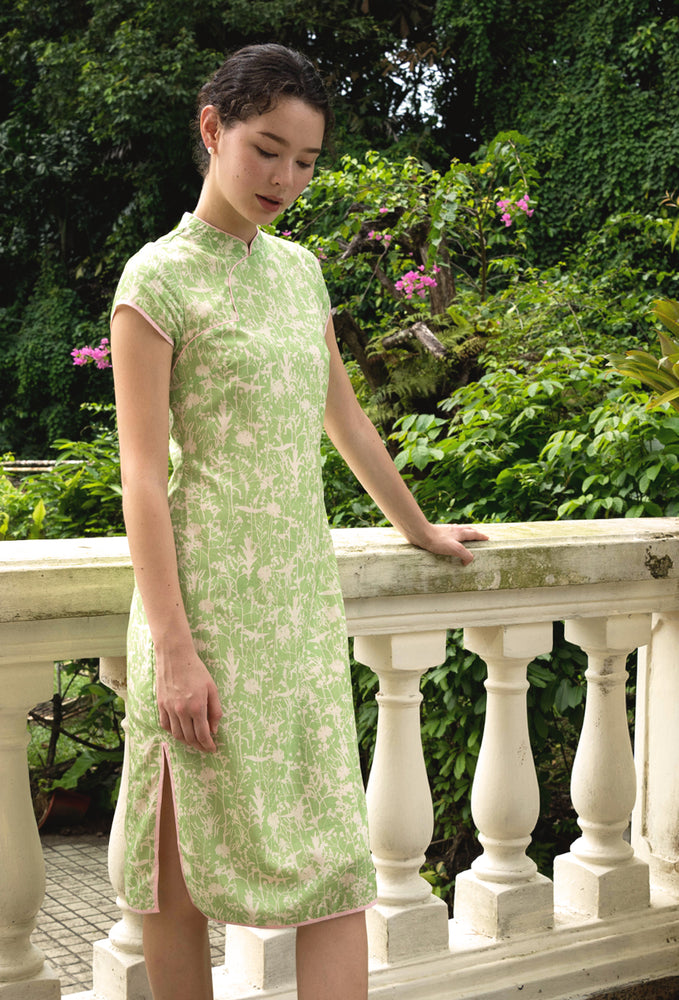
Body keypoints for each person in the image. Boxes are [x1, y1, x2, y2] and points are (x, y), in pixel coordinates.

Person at [110, 42, 487, 1000]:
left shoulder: (300, 272)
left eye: (306, 161)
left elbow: (345, 420)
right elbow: (142, 479)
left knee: (331, 864)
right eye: (267, 150)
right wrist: (175, 650)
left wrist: (420, 530)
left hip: (298, 608)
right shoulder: (155, 282)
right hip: (198, 609)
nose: (285, 179)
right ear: (213, 130)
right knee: (176, 867)